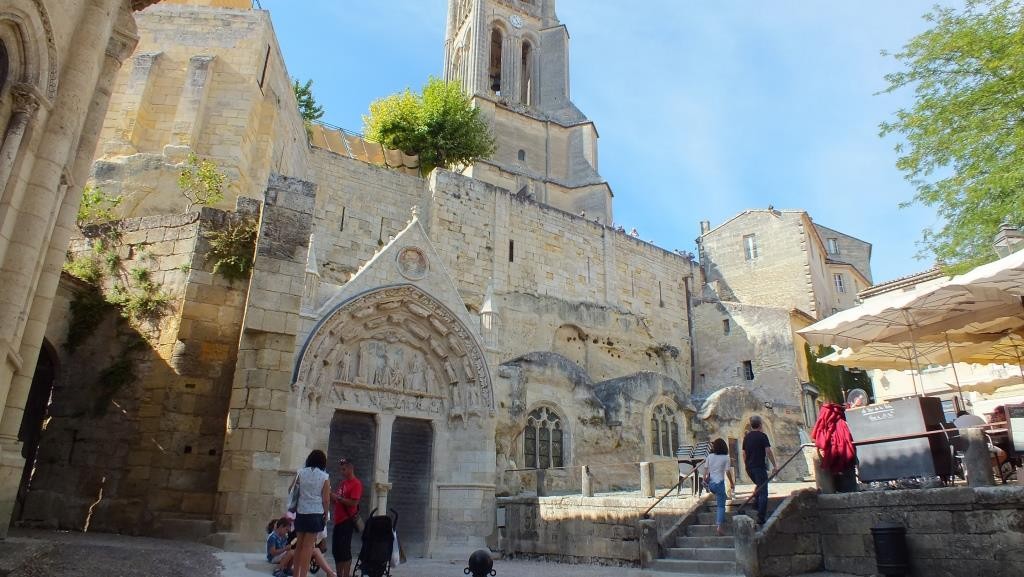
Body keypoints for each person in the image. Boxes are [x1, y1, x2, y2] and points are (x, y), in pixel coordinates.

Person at [286, 450, 330, 577]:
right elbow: (326, 499)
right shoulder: (324, 476)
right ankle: (303, 575)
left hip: (301, 512)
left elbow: (291, 489)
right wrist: (325, 514)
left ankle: (296, 574)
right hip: (315, 513)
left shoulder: (300, 473)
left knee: (299, 545)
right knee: (308, 547)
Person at [742, 415, 778, 525]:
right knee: (763, 492)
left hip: (749, 468)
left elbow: (744, 453)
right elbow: (768, 451)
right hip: (759, 466)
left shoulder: (746, 437)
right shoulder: (762, 436)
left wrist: (747, 465)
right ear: (760, 424)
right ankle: (761, 517)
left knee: (759, 485)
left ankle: (755, 503)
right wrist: (775, 465)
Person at [331, 458, 364, 577]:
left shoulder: (356, 484)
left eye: (344, 469)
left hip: (347, 521)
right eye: (341, 469)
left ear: (351, 468)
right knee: (336, 550)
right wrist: (332, 497)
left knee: (344, 551)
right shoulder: (343, 483)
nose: (342, 472)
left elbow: (354, 503)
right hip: (338, 522)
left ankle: (345, 575)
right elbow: (338, 501)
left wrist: (338, 498)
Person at [703, 438, 736, 536]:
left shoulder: (710, 456)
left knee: (722, 497)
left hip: (711, 485)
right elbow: (727, 471)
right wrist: (732, 483)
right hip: (719, 484)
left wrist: (705, 480)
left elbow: (705, 470)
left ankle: (721, 518)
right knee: (721, 506)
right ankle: (719, 526)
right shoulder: (726, 457)